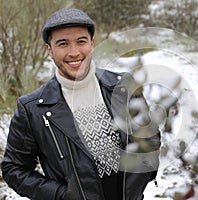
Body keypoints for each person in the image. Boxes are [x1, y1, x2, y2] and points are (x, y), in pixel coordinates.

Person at [1, 8, 160, 200]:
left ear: (92, 43)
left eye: (81, 41)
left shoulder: (123, 87)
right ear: (49, 50)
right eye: (63, 44)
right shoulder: (33, 108)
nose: (74, 52)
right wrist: (60, 195)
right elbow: (14, 169)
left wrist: (143, 175)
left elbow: (149, 137)